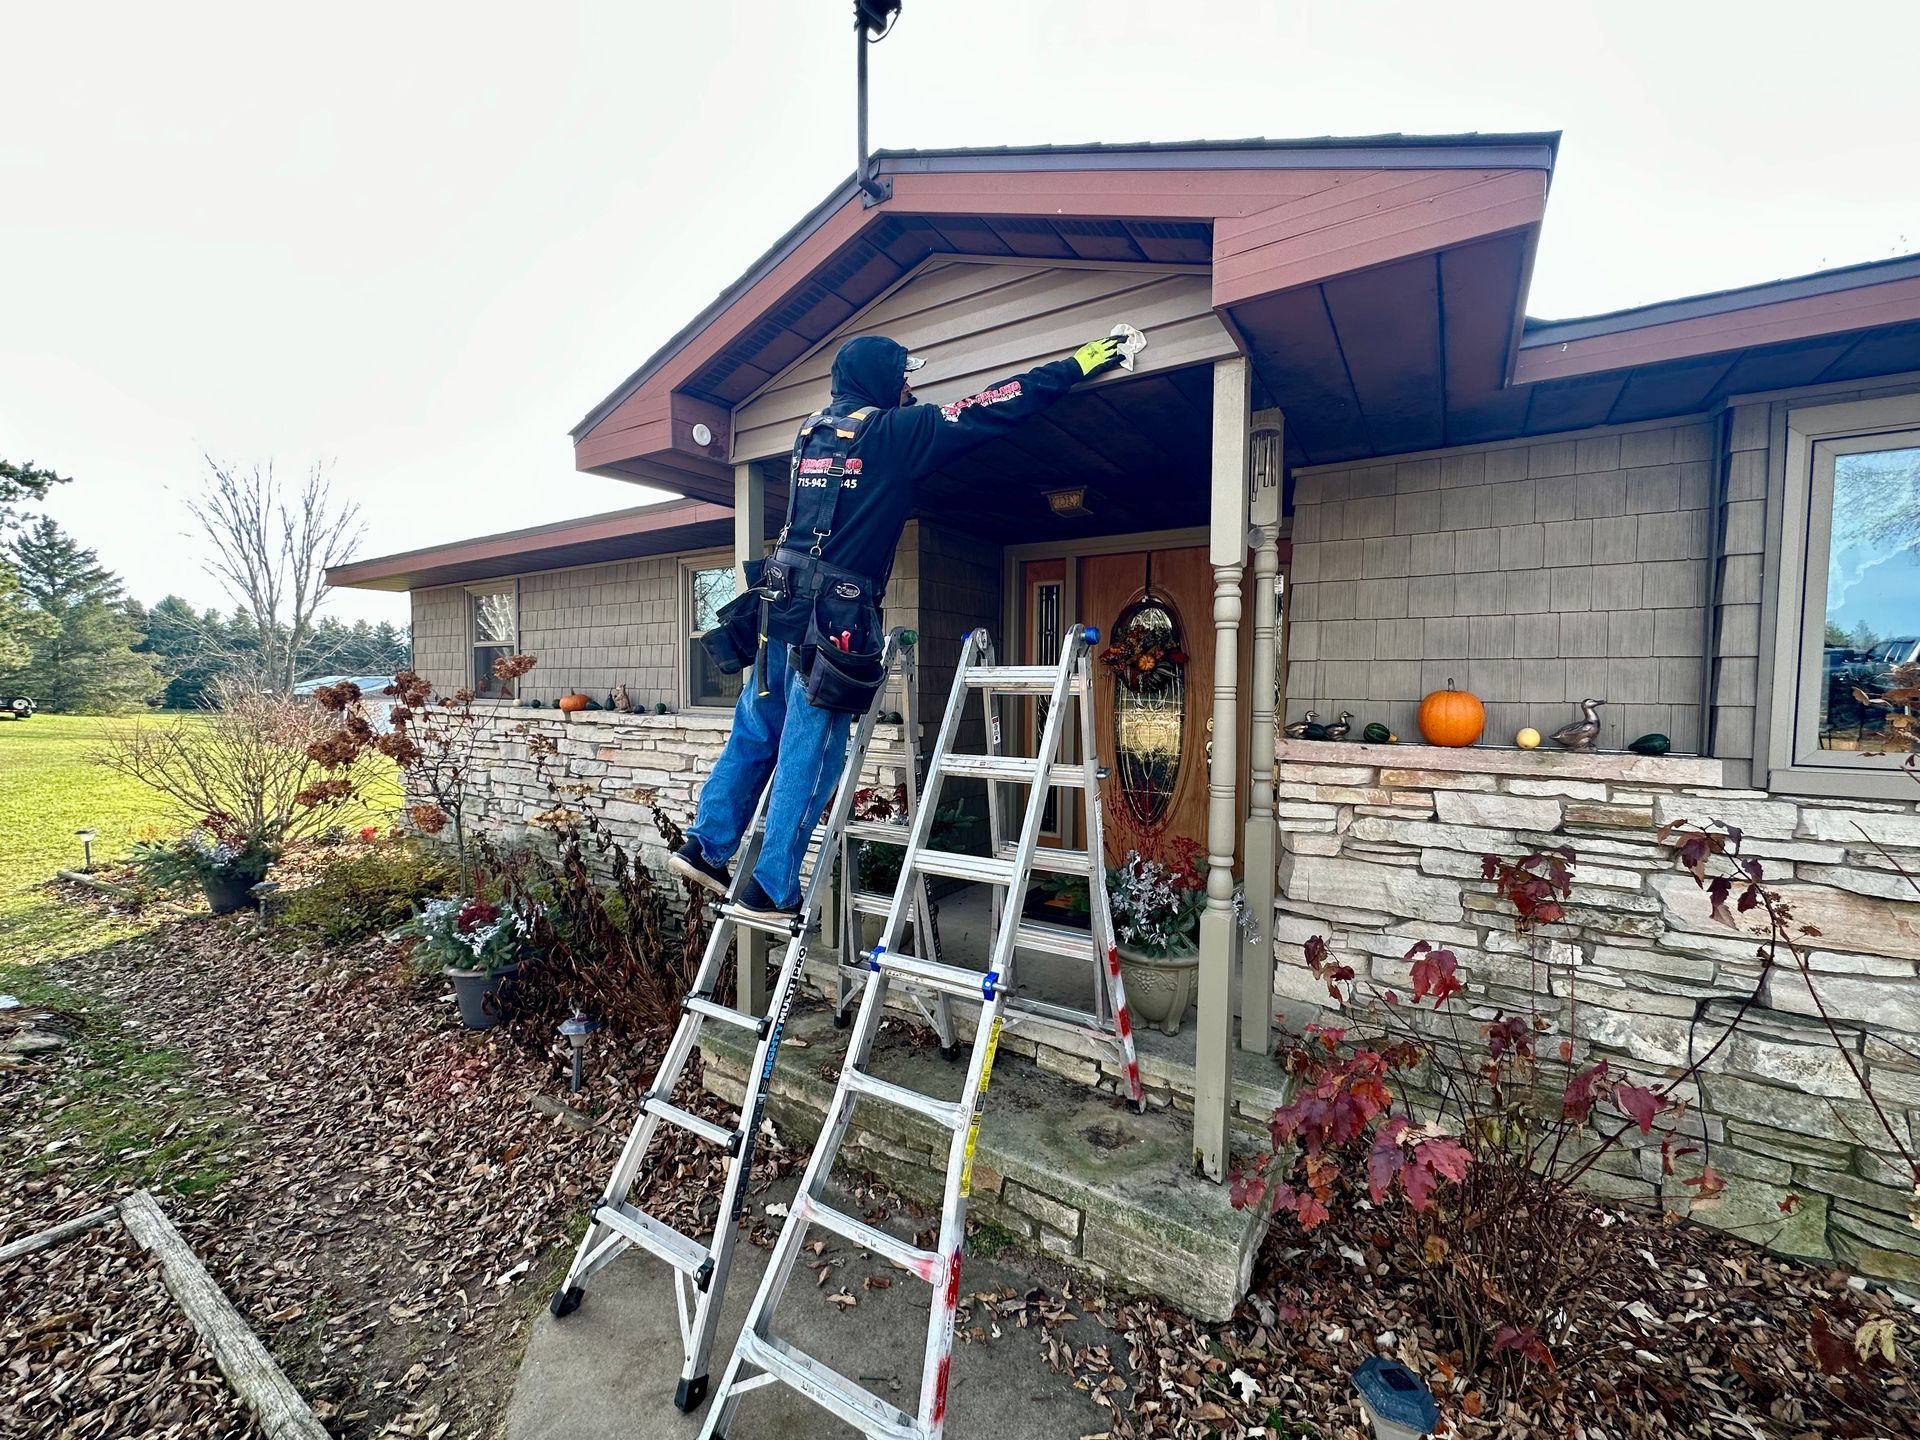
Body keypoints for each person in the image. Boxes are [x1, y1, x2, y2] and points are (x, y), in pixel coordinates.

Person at [669, 330, 1129, 921]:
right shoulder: (895, 433)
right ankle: (773, 887)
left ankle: (705, 847)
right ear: (882, 380)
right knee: (812, 753)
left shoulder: (811, 431)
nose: (909, 387)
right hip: (832, 623)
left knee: (756, 733)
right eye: (903, 377)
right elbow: (994, 405)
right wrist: (1075, 365)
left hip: (777, 609)